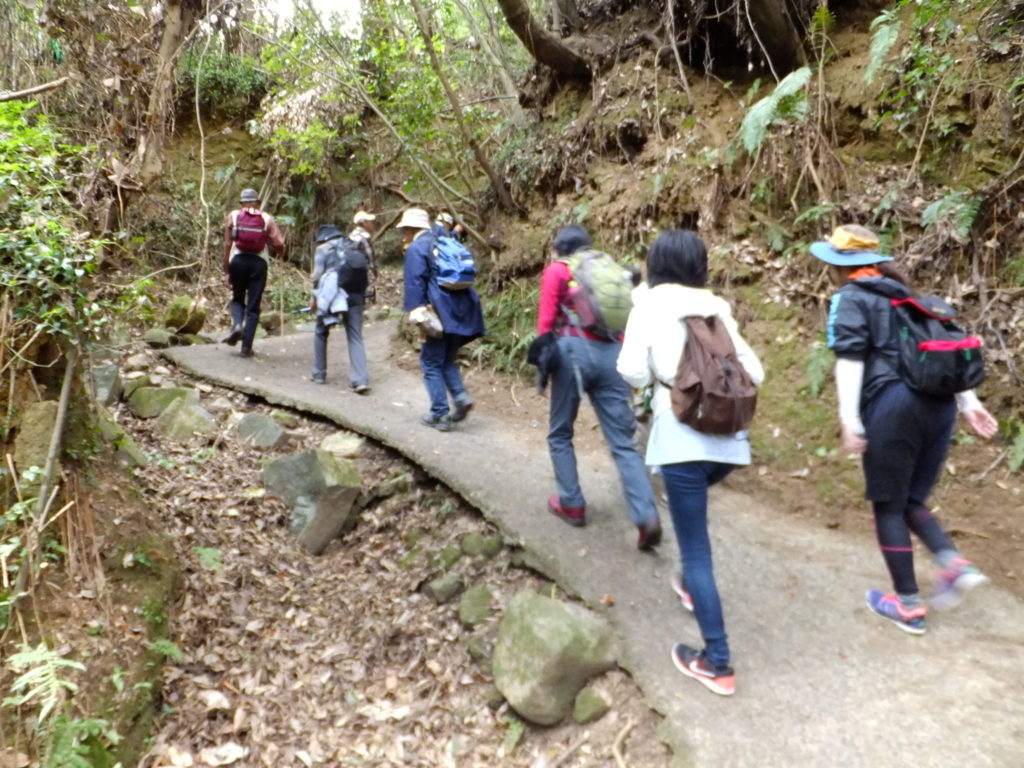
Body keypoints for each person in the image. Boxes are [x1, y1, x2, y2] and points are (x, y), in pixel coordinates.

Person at [810, 224, 996, 635]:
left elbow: (851, 359)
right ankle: (951, 563)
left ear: (839, 267)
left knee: (888, 504)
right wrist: (969, 404)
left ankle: (908, 605)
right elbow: (940, 348)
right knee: (911, 498)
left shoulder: (849, 299)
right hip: (940, 406)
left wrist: (849, 419)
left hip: (894, 406)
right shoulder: (908, 296)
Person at [617, 230, 764, 696]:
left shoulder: (649, 307)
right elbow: (756, 372)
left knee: (697, 551)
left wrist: (661, 380)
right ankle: (688, 583)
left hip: (681, 442)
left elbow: (630, 370)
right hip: (729, 444)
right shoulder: (715, 309)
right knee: (692, 525)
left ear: (656, 264)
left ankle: (717, 662)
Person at [538, 224, 661, 550]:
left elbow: (546, 324)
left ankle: (572, 503)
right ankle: (646, 516)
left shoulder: (558, 271)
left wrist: (543, 366)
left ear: (560, 249)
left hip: (573, 353)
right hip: (612, 356)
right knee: (623, 442)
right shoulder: (609, 270)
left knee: (560, 432)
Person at [401, 207, 484, 431]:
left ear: (410, 229)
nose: (403, 236)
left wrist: (417, 312)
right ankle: (460, 396)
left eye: (404, 231)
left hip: (438, 311)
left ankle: (440, 414)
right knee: (446, 359)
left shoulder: (417, 248)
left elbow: (415, 282)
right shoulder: (444, 240)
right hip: (462, 309)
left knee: (430, 362)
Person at [222, 188, 286, 357]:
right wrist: (280, 252)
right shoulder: (266, 219)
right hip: (259, 264)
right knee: (253, 305)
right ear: (257, 203)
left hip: (238, 261)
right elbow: (279, 243)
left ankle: (236, 325)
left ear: (242, 203)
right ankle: (246, 347)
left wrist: (226, 271)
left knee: (237, 298)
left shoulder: (234, 216)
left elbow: (228, 244)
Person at [310, 223, 370, 393]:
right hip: (355, 295)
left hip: (333, 294)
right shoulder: (351, 246)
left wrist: (315, 297)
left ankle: (319, 373)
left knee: (321, 331)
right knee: (355, 337)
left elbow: (317, 275)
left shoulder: (323, 249)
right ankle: (360, 380)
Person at [350, 210, 379, 302]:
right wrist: (375, 273)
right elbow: (371, 259)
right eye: (370, 222)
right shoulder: (365, 238)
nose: (372, 224)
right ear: (364, 223)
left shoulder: (350, 236)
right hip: (362, 274)